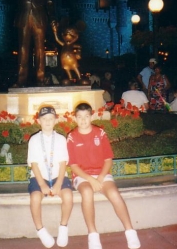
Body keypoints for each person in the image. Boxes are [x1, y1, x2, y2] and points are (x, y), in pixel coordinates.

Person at [67, 103, 141, 249]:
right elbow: (73, 165)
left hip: (101, 174)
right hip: (82, 176)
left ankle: (130, 231)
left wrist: (99, 179)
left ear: (91, 116)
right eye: (80, 117)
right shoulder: (72, 137)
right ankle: (93, 235)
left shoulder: (100, 133)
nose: (83, 120)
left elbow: (108, 159)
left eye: (86, 117)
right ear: (75, 118)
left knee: (114, 193)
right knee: (87, 192)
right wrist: (91, 180)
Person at [27, 106, 73, 248]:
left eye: (50, 119)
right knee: (35, 198)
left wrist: (59, 183)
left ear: (55, 121)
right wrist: (42, 185)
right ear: (39, 121)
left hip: (57, 176)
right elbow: (33, 164)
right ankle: (40, 230)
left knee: (68, 196)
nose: (47, 121)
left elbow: (63, 163)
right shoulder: (34, 140)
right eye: (44, 119)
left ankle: (63, 227)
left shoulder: (60, 139)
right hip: (40, 177)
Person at [10, 0, 56, 87]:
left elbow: (49, 1)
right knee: (23, 49)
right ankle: (21, 79)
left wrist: (52, 17)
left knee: (40, 49)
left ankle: (40, 79)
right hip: (24, 17)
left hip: (39, 17)